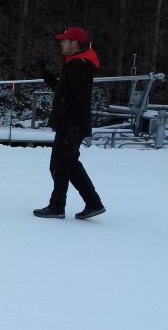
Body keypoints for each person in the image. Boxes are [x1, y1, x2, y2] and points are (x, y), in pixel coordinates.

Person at [34, 27, 105, 219]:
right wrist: (45, 74)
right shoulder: (73, 65)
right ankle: (93, 202)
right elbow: (62, 90)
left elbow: (81, 102)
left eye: (64, 41)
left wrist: (74, 131)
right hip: (69, 125)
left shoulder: (80, 68)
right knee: (68, 164)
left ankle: (57, 207)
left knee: (60, 164)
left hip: (72, 126)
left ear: (74, 43)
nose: (61, 43)